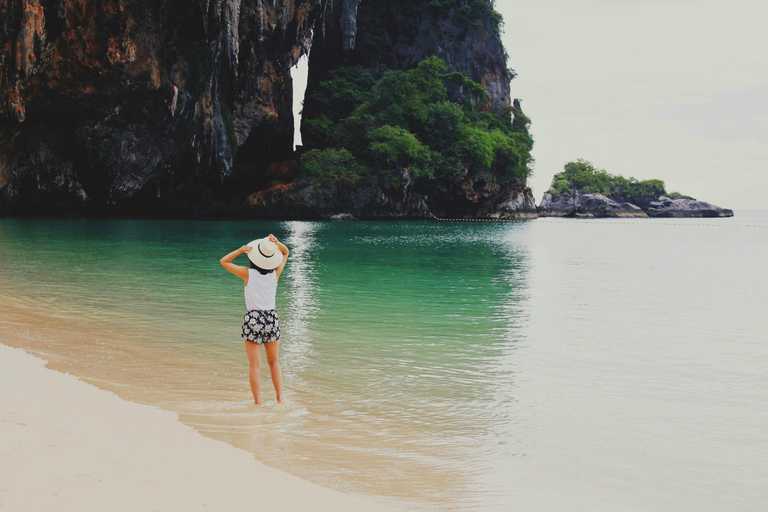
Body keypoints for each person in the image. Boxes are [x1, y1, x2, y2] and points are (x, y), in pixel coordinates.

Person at [220, 234, 289, 405]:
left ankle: (258, 403)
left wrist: (240, 250)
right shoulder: (275, 274)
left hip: (253, 319)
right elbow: (286, 253)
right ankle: (280, 399)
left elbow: (224, 262)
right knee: (274, 361)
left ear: (254, 257)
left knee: (255, 366)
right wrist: (277, 243)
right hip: (271, 318)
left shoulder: (247, 273)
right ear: (271, 260)